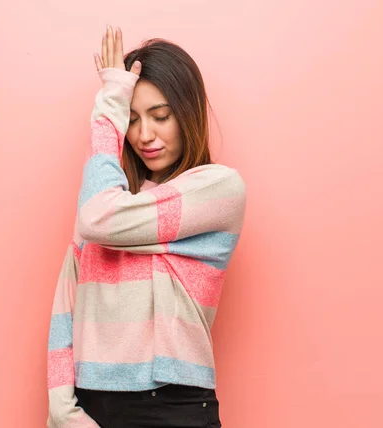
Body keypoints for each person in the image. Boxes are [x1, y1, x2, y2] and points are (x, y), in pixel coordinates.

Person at [46, 25, 246, 428]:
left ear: (186, 113)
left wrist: (109, 107)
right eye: (130, 119)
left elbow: (100, 220)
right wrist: (62, 409)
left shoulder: (218, 189)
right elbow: (69, 299)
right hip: (91, 407)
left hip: (172, 405)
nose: (144, 135)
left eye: (160, 116)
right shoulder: (102, 199)